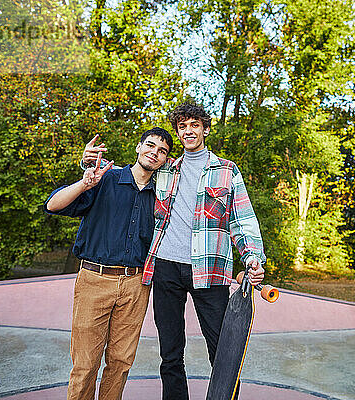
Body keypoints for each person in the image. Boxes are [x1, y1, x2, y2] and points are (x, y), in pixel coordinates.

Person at [82, 103, 266, 400]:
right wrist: (88, 165)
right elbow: (129, 173)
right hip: (166, 268)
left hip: (210, 272)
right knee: (170, 353)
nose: (188, 131)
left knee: (223, 352)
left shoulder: (227, 171)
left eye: (194, 125)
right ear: (179, 133)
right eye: (183, 127)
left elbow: (242, 221)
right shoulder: (166, 168)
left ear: (205, 129)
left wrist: (253, 258)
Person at [45, 127, 173, 400]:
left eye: (162, 151)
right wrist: (84, 182)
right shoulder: (105, 178)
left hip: (136, 284)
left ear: (165, 160)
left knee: (121, 362)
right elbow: (53, 205)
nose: (154, 152)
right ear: (138, 147)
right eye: (150, 145)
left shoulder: (162, 195)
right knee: (85, 364)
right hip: (95, 279)